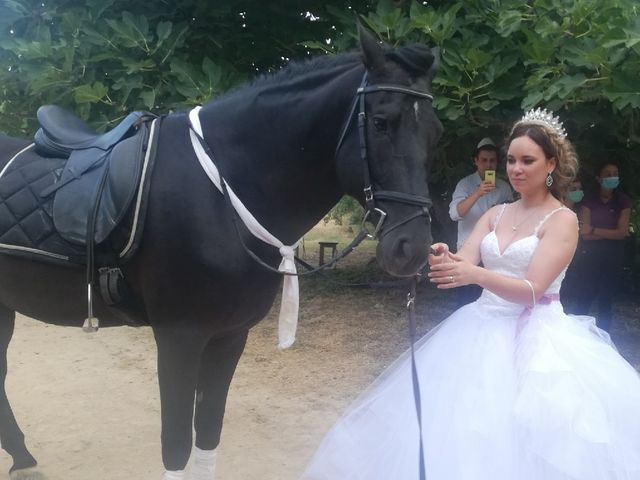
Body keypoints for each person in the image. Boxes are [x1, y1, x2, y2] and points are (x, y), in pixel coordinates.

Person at [301, 109, 640, 480]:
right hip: (480, 329)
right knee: (463, 427)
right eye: (511, 160)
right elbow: (465, 258)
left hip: (540, 338)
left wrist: (472, 273)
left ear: (551, 164)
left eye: (527, 160)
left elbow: (532, 290)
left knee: (533, 433)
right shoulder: (495, 213)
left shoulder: (562, 220)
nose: (516, 168)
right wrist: (444, 256)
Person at [449, 137, 513, 306]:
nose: (488, 165)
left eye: (492, 161)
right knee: (467, 300)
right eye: (484, 160)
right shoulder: (465, 184)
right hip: (469, 252)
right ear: (476, 161)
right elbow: (455, 214)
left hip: (495, 253)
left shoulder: (504, 187)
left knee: (492, 301)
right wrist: (477, 193)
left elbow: (512, 217)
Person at [571, 162, 632, 332]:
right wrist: (608, 233)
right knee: (584, 296)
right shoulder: (589, 199)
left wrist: (594, 230)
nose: (612, 177)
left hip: (613, 256)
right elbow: (585, 234)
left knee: (606, 299)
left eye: (615, 173)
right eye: (608, 173)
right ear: (599, 178)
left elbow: (622, 232)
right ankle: (576, 334)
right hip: (590, 255)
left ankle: (604, 338)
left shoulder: (623, 201)